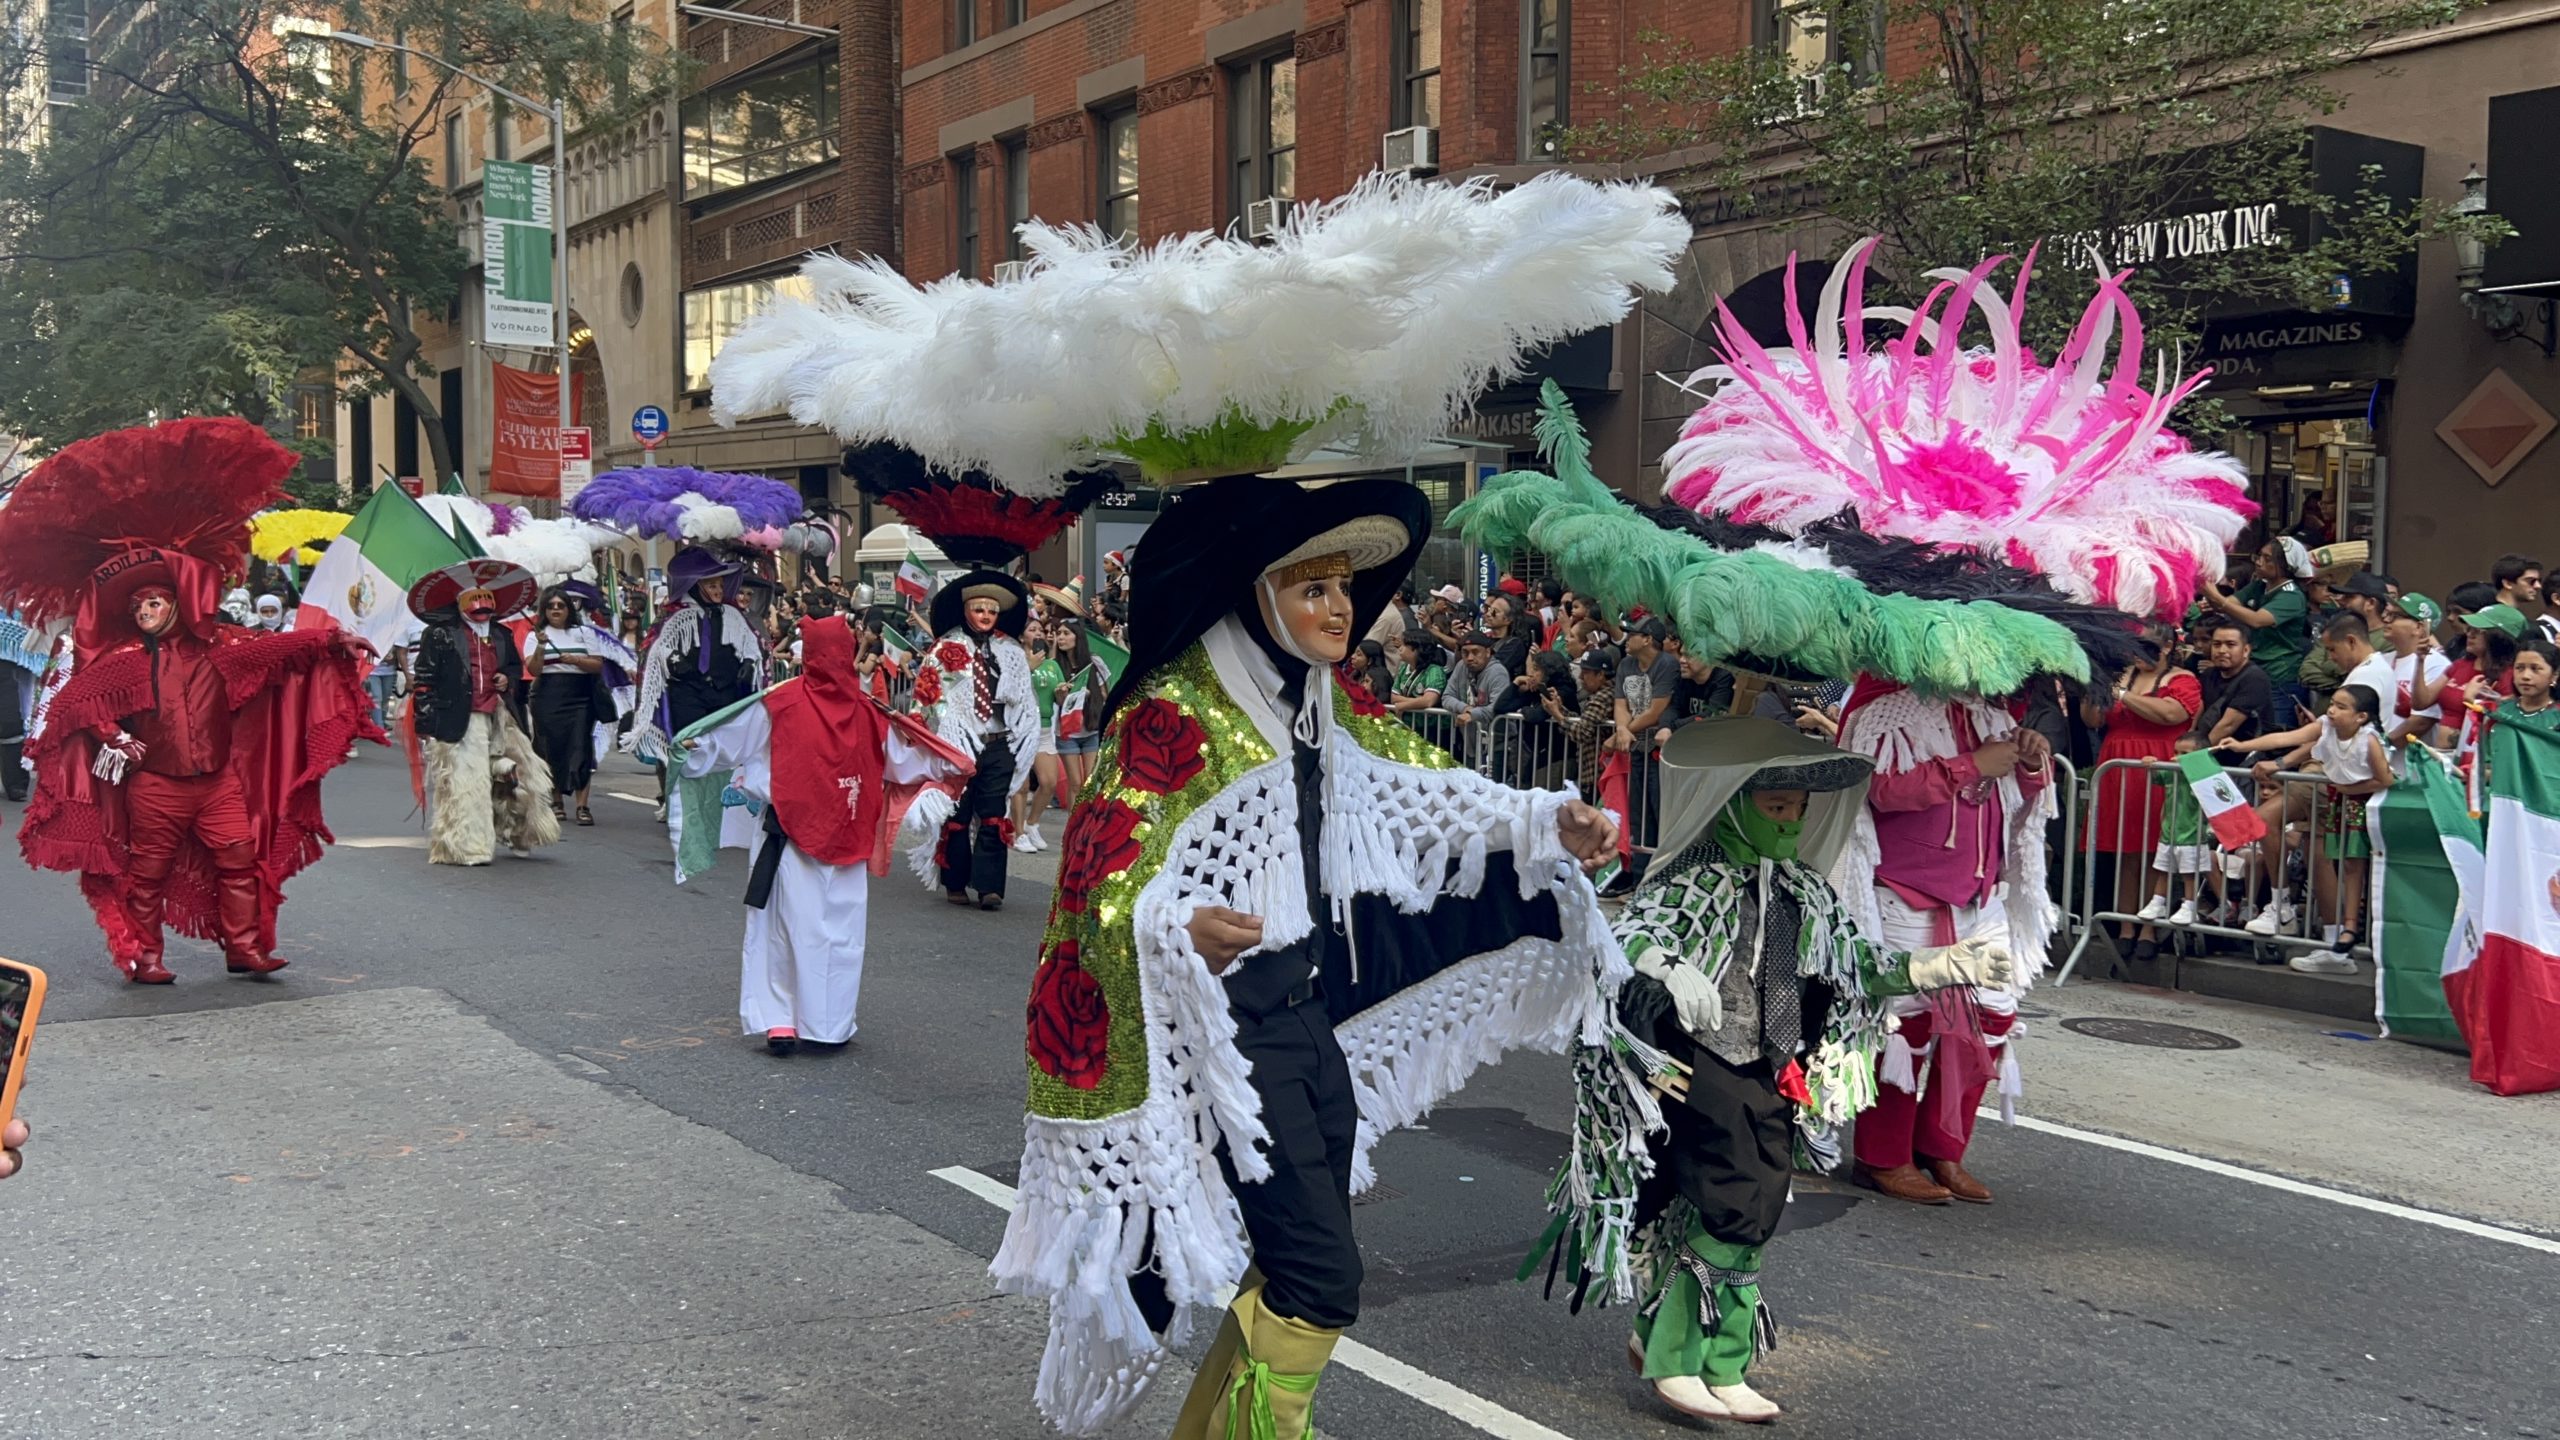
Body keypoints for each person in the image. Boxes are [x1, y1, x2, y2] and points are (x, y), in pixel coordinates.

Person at [994, 477, 1624, 1440]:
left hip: (1303, 1021)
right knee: (1321, 1280)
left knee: (1295, 1271)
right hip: (1224, 1042)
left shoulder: (1321, 707)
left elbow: (1425, 783)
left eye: (1343, 588)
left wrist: (1548, 818)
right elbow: (1095, 885)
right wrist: (1176, 927)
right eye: (1312, 588)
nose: (1340, 610)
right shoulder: (1173, 714)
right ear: (1255, 596)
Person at [1530, 718, 2014, 1424]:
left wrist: (1940, 965)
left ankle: (1718, 1358)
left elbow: (1855, 964)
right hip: (1701, 1061)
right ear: (1735, 805)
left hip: (1773, 1063)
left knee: (1757, 1205)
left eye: (1798, 810)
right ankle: (1674, 1356)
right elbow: (1626, 942)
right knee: (1734, 1198)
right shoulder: (1693, 880)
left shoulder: (1807, 893)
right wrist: (1665, 969)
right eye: (1776, 808)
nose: (1791, 823)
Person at [1, 419, 380, 982]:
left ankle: (244, 948)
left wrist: (332, 638)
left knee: (238, 859)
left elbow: (276, 650)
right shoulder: (125, 659)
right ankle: (145, 955)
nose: (143, 612)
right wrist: (116, 737)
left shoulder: (221, 651)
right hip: (155, 784)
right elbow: (78, 706)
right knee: (147, 871)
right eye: (137, 607)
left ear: (175, 604)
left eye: (153, 603)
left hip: (216, 781)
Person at [672, 616, 974, 1054]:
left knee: (785, 928)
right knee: (836, 932)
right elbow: (903, 761)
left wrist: (694, 749)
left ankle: (790, 1019)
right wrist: (945, 764)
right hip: (807, 834)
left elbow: (728, 741)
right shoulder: (851, 708)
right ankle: (816, 1022)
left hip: (821, 833)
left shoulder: (800, 704)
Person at [1838, 676, 2054, 1204]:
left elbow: (2016, 797)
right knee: (1903, 1023)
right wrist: (1969, 766)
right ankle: (1883, 1157)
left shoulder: (1992, 713)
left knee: (1991, 1018)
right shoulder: (1884, 712)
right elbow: (1878, 790)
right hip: (1904, 894)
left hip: (1982, 899)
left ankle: (1943, 1148)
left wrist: (2028, 761)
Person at [409, 560, 559, 867]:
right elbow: (424, 681)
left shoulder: (502, 635)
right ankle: (467, 847)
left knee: (525, 776)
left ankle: (523, 834)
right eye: (474, 602)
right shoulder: (440, 634)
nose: (481, 609)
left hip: (501, 715)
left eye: (487, 602)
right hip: (460, 719)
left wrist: (507, 678)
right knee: (469, 784)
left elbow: (515, 670)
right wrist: (425, 724)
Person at [628, 546, 767, 859]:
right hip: (687, 694)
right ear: (695, 586)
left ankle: (720, 815)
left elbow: (754, 649)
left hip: (725, 694)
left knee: (723, 754)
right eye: (711, 585)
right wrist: (672, 659)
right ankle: (684, 815)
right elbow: (653, 653)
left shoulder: (734, 616)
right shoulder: (673, 618)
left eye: (720, 585)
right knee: (690, 752)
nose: (718, 591)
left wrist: (748, 662)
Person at [912, 570, 1039, 910]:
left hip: (999, 741)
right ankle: (955, 882)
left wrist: (1021, 735)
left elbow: (1026, 701)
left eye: (992, 611)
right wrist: (945, 728)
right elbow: (927, 697)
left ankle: (989, 887)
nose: (985, 616)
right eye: (980, 608)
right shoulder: (946, 647)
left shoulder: (1011, 650)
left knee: (994, 813)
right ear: (967, 609)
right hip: (957, 744)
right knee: (958, 815)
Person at [2249, 684, 2393, 974]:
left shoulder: (2368, 738)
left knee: (2352, 867)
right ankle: (2335, 944)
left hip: (2358, 803)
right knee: (2324, 858)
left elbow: (2385, 778)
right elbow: (2300, 738)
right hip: (2332, 792)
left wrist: (2349, 787)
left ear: (2361, 716)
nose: (2331, 710)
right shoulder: (2327, 725)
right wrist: (2248, 749)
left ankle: (2338, 940)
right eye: (2333, 704)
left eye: (2341, 706)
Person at [2083, 625, 2202, 961]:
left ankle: (2149, 927)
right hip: (2118, 763)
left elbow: (2170, 714)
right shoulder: (2123, 675)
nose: (2139, 652)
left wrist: (2120, 695)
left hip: (2158, 764)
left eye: (2148, 646)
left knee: (2155, 850)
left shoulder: (2183, 680)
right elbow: (2092, 720)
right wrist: (2095, 685)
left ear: (2167, 646)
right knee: (2125, 851)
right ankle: (2125, 926)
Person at [2206, 537, 2315, 719]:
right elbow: (2226, 604)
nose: (2259, 562)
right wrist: (2207, 589)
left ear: (2285, 565)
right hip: (2255, 669)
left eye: (2267, 559)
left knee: (2276, 731)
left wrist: (2216, 597)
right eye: (2259, 556)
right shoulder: (2260, 585)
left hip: (2279, 674)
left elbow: (2257, 620)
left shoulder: (2291, 595)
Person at [1609, 616, 1680, 894]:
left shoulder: (1667, 664)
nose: (1627, 639)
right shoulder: (1626, 664)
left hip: (1657, 752)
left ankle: (1660, 881)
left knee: (1657, 811)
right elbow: (1620, 703)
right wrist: (1622, 731)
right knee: (1637, 814)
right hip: (1634, 748)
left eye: (1632, 634)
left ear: (1648, 639)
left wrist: (1620, 734)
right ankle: (1638, 880)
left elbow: (1656, 711)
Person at [527, 586, 608, 827]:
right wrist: (541, 646)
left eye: (560, 605)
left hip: (580, 695)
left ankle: (583, 806)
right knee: (550, 749)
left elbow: (598, 665)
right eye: (550, 606)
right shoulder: (535, 635)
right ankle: (556, 802)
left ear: (568, 608)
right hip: (548, 695)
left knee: (581, 747)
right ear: (544, 609)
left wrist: (576, 660)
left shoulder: (584, 633)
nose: (555, 610)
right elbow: (534, 670)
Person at [1047, 618, 1106, 811]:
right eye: (1059, 634)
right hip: (1067, 732)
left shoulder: (1094, 661)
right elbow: (1056, 702)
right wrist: (1061, 695)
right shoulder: (1054, 665)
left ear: (1077, 637)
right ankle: (1072, 824)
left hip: (1090, 728)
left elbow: (1105, 693)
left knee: (1090, 781)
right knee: (1075, 783)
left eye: (1066, 633)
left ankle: (1088, 822)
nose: (1061, 637)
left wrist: (1088, 694)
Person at [1017, 617, 1064, 854]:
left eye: (1041, 630)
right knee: (1021, 785)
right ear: (1021, 635)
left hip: (1045, 729)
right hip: (1022, 729)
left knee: (1049, 782)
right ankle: (1017, 832)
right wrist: (1029, 667)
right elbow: (1010, 689)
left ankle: (1032, 824)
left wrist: (1063, 693)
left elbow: (1060, 700)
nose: (1038, 634)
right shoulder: (1016, 660)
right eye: (1032, 629)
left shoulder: (1052, 665)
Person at [2492, 553, 2557, 642]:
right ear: (2508, 583)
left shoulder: (2524, 622)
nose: (2538, 586)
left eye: (2539, 581)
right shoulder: (2491, 617)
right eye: (2531, 581)